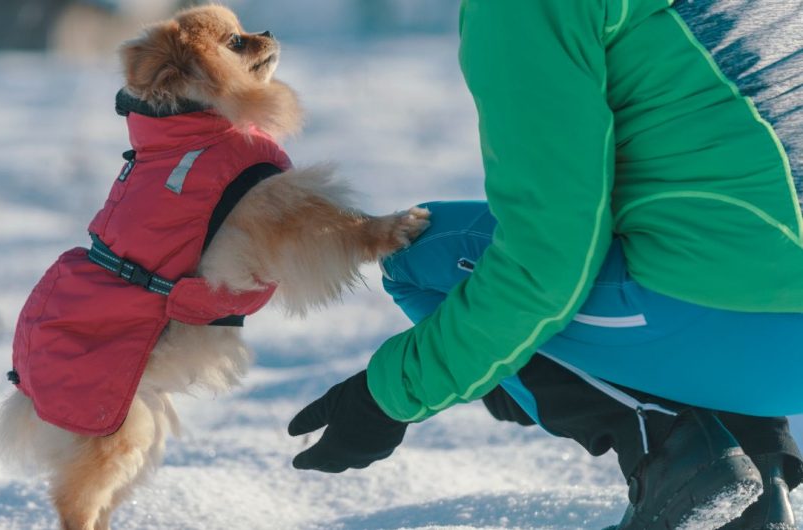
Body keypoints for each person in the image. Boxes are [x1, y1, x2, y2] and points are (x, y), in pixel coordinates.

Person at [287, 0, 803, 528]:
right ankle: (759, 475)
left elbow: (546, 266)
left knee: (421, 251)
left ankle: (674, 454)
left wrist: (384, 397)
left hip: (746, 331)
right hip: (779, 346)